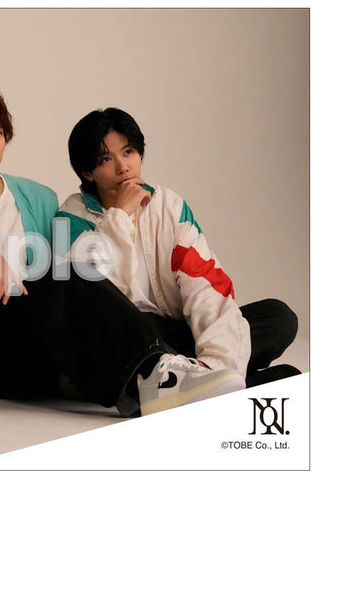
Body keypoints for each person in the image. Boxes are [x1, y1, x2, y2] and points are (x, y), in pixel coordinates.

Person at [0, 88, 245, 423]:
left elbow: (76, 289)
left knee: (68, 272)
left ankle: (154, 374)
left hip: (27, 348)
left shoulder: (39, 199)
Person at [58, 107, 300, 390]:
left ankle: (193, 379)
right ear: (88, 172)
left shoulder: (169, 206)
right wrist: (121, 214)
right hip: (120, 337)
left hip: (171, 335)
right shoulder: (70, 218)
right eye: (106, 159)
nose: (123, 167)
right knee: (127, 342)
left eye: (128, 152)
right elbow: (90, 296)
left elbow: (206, 287)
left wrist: (215, 363)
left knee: (278, 318)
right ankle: (215, 382)